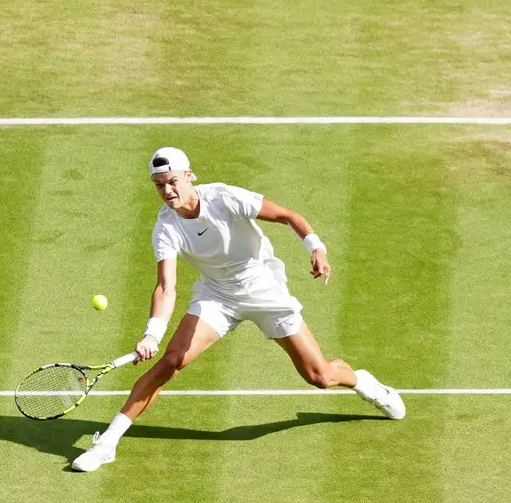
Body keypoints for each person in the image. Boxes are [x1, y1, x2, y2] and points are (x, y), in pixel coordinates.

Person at [72, 146, 406, 472]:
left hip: (264, 291)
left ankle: (365, 384)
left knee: (319, 376)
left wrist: (316, 248)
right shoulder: (166, 228)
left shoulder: (224, 198)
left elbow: (287, 216)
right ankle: (106, 445)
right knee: (170, 362)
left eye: (173, 181)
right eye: (159, 185)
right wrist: (152, 333)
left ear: (189, 176)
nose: (168, 191)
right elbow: (166, 286)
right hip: (217, 297)